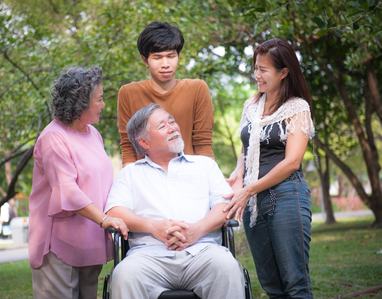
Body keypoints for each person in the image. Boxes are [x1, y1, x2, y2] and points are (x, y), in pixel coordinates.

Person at [105, 104, 245, 299]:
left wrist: (198, 230)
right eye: (162, 126)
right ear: (144, 142)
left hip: (203, 252)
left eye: (172, 121)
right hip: (148, 257)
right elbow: (114, 212)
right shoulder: (130, 173)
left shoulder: (205, 165)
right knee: (124, 274)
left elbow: (224, 205)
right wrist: (153, 226)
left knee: (227, 266)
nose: (173, 128)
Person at [224, 39, 315, 298]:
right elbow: (246, 149)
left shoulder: (297, 107)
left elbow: (292, 162)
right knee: (271, 285)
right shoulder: (251, 105)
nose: (257, 75)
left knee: (295, 283)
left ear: (283, 72)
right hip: (254, 202)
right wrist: (239, 174)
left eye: (264, 69)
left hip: (287, 195)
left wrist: (248, 189)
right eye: (256, 68)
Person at [28, 66, 129, 299]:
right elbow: (67, 191)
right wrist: (105, 219)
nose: (104, 105)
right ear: (80, 103)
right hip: (59, 244)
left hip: (90, 239)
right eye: (100, 99)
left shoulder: (93, 134)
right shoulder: (53, 137)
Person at [117, 21, 215, 167]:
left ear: (178, 56)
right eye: (157, 57)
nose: (165, 64)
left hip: (189, 177)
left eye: (171, 56)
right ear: (145, 60)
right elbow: (128, 147)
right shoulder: (128, 93)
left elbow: (203, 143)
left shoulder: (197, 88)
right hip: (146, 180)